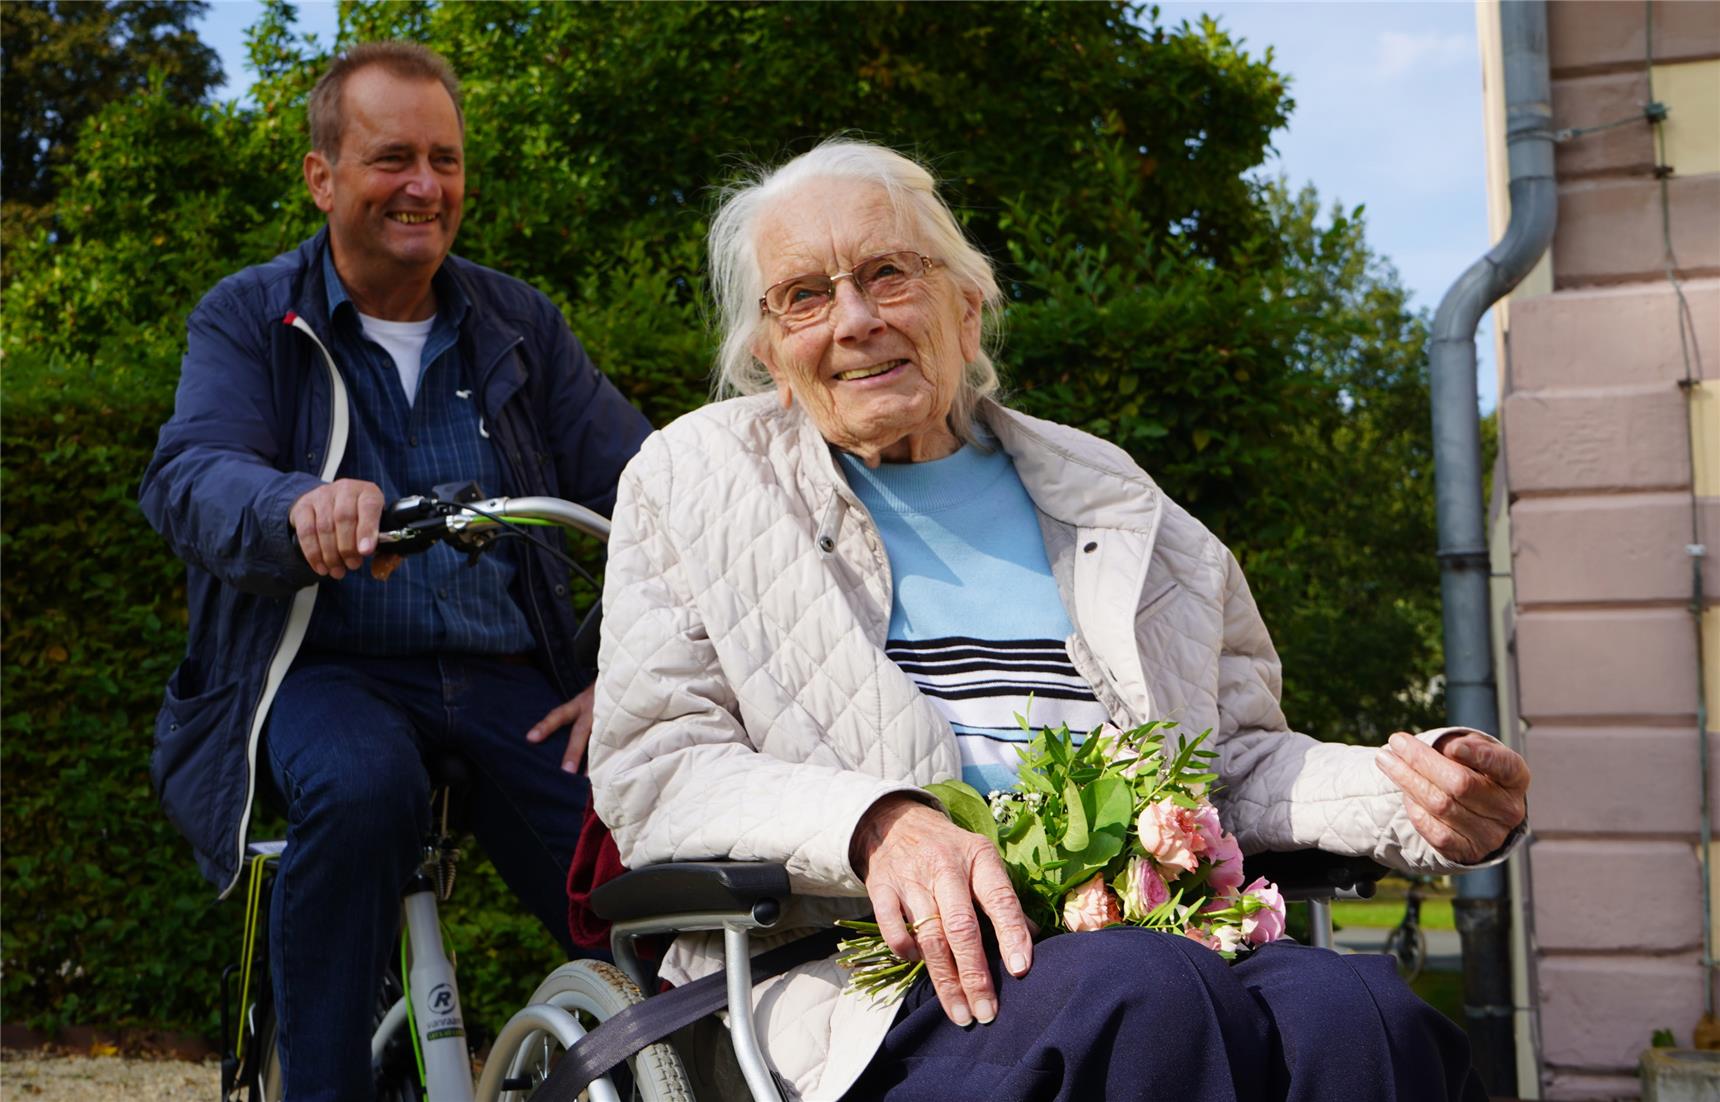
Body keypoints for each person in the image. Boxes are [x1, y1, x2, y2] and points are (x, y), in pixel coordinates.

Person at [588, 138, 1530, 1102]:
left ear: (967, 301)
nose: (857, 321)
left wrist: (1411, 793)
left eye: (887, 275)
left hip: (1156, 938)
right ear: (768, 352)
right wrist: (878, 823)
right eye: (806, 296)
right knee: (1142, 994)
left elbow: (1234, 759)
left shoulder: (1114, 497)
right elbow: (657, 767)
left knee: (1355, 1014)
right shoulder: (696, 481)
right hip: (865, 984)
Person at [138, 42, 650, 1100]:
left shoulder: (519, 323)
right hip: (325, 670)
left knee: (640, 856)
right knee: (363, 787)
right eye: (392, 159)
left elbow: (657, 495)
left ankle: (704, 1051)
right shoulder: (250, 315)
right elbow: (192, 474)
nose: (425, 186)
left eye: (445, 160)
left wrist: (630, 668)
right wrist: (293, 506)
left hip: (512, 675)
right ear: (322, 175)